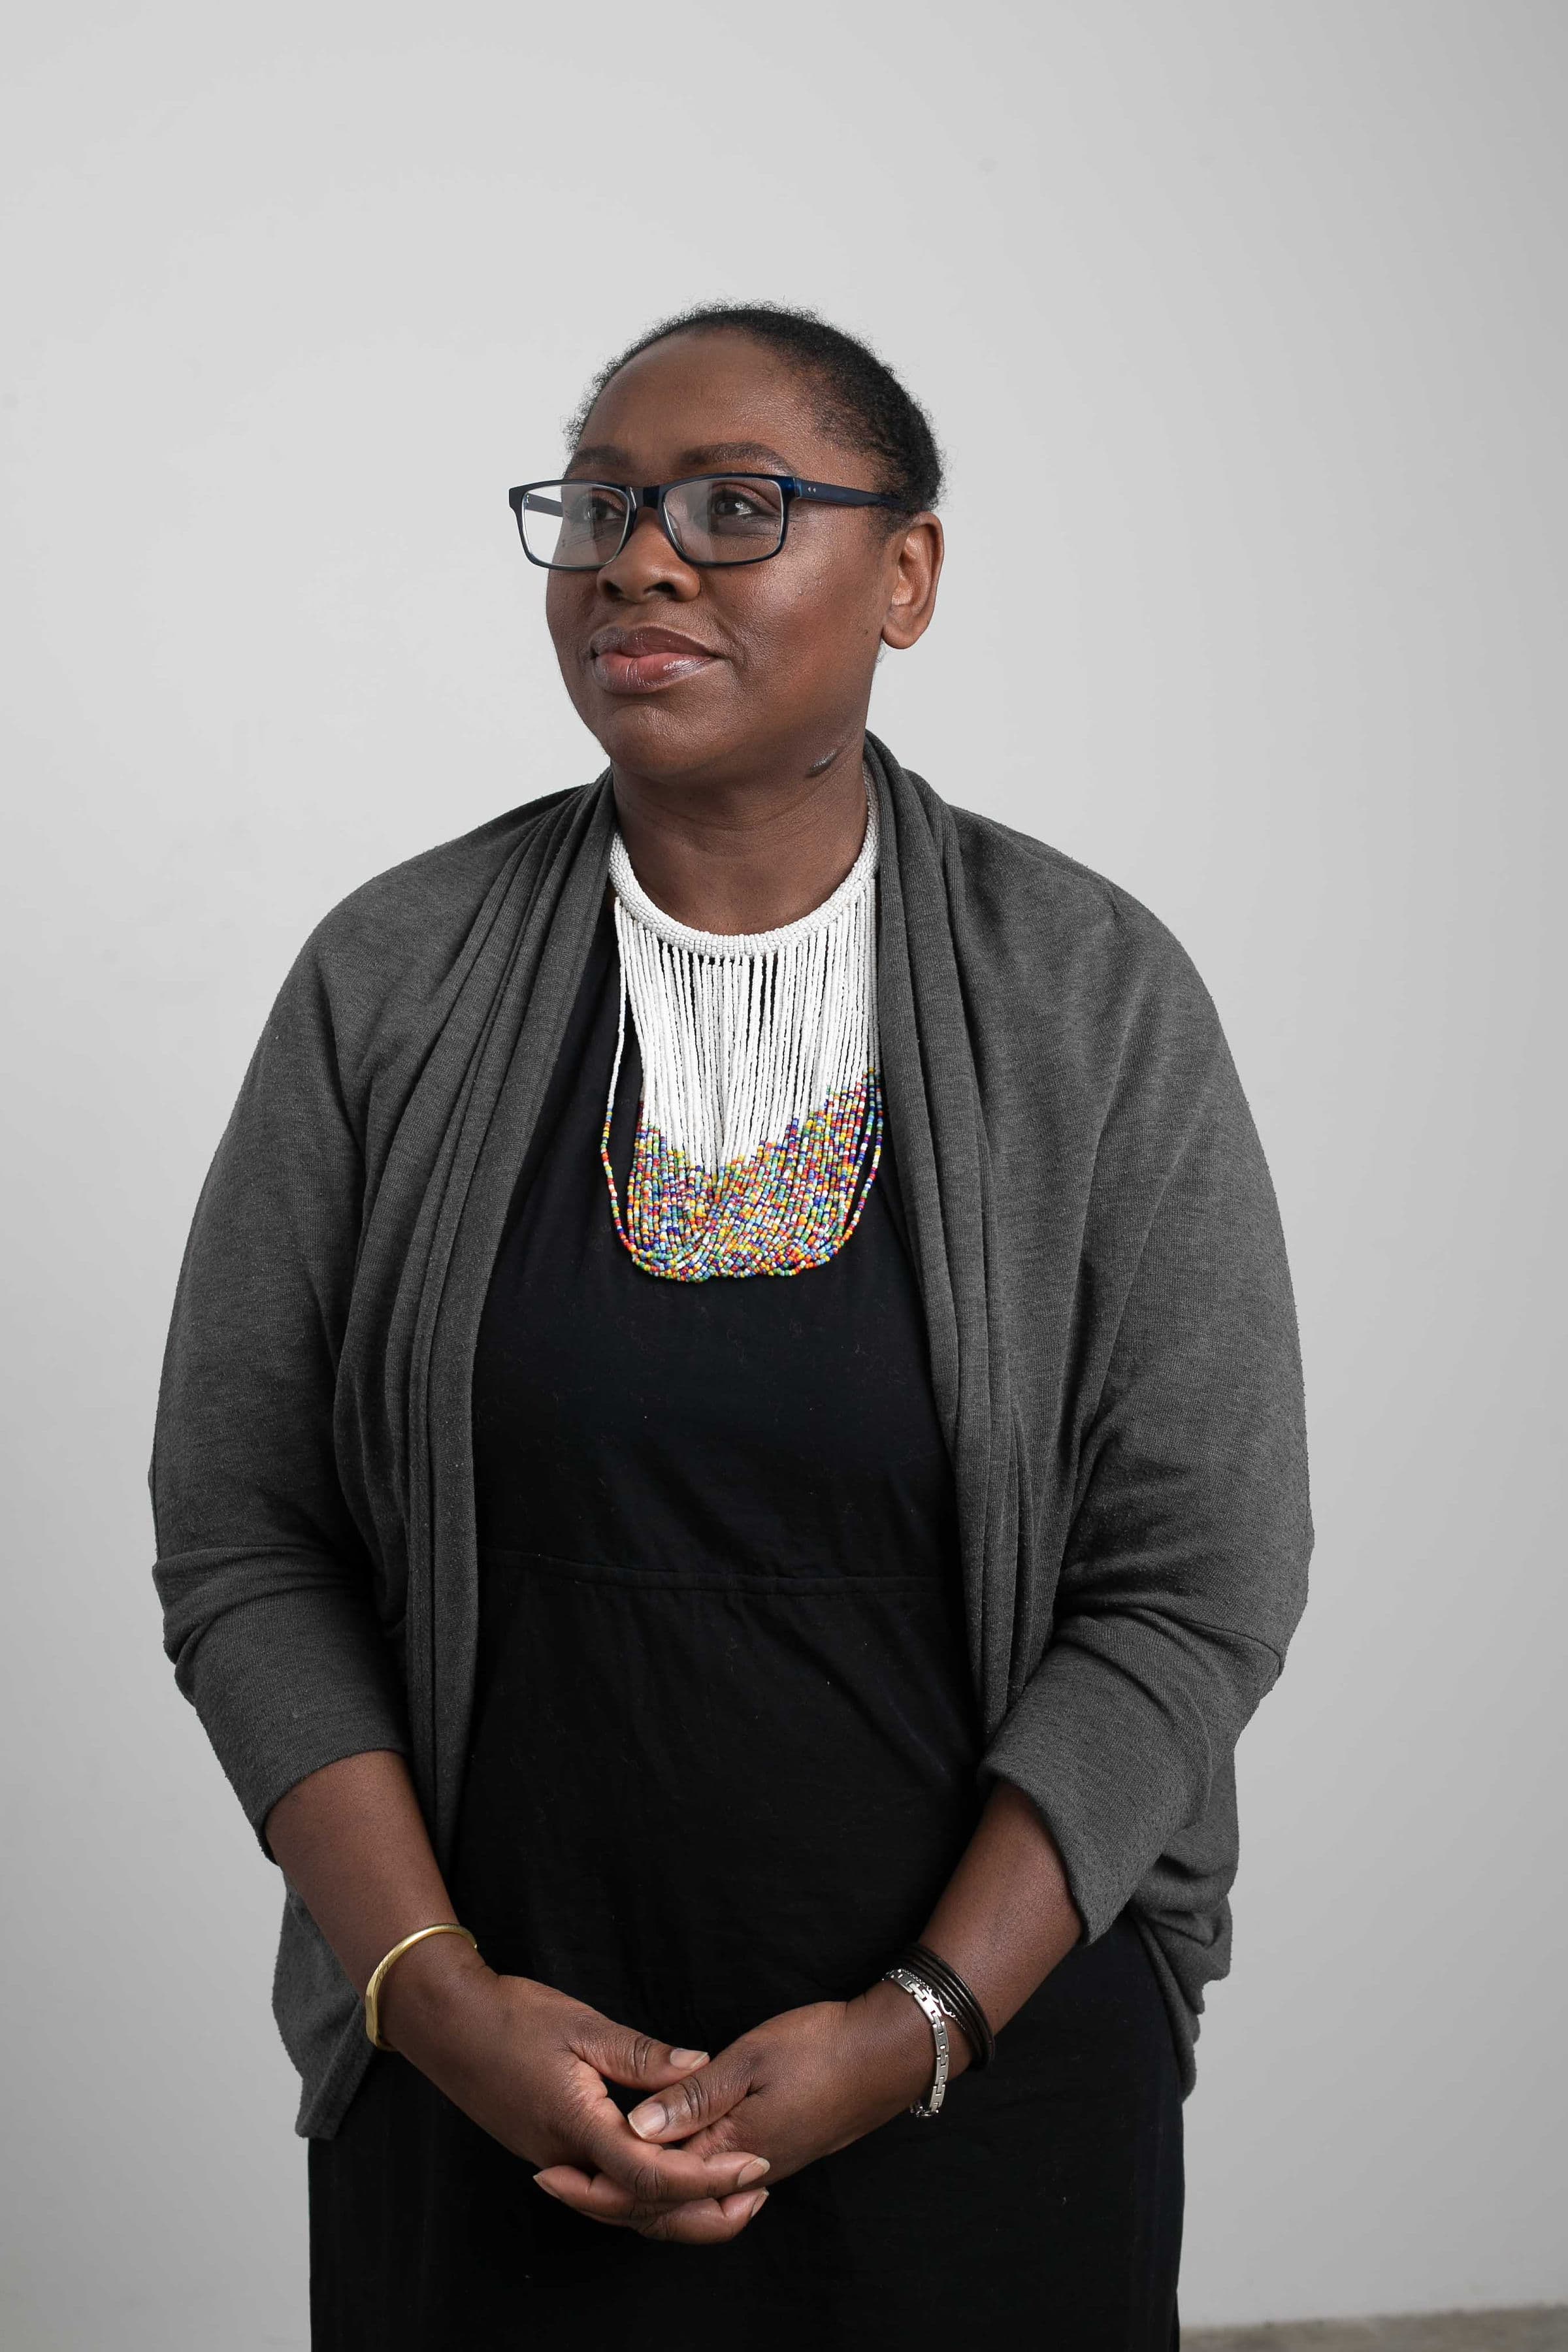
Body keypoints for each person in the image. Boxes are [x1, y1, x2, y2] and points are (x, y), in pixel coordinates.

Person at [149, 301, 1314, 2349]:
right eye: (599, 508)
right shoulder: (389, 985)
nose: (640, 559)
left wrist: (917, 2023)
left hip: (990, 2084)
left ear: (910, 574)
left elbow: (1196, 1586)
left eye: (731, 507)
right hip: (496, 2086)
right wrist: (428, 1994)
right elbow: (248, 1538)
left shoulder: (1098, 1001)